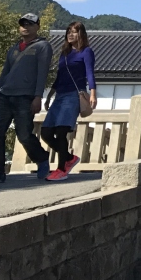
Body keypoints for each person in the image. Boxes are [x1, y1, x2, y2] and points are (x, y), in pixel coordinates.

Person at [0, 13, 53, 183]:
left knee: (24, 135)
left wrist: (38, 96)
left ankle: (41, 158)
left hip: (25, 97)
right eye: (22, 24)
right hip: (5, 96)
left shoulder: (43, 46)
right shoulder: (13, 49)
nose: (25, 27)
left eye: (29, 24)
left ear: (37, 27)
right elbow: (4, 74)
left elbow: (42, 73)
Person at [42, 21, 97, 181]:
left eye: (74, 31)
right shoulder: (65, 53)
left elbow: (90, 73)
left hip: (74, 95)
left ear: (81, 34)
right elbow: (60, 76)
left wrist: (93, 93)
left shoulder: (86, 52)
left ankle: (61, 169)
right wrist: (50, 95)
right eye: (68, 32)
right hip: (59, 95)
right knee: (46, 132)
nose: (70, 34)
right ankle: (69, 158)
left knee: (61, 132)